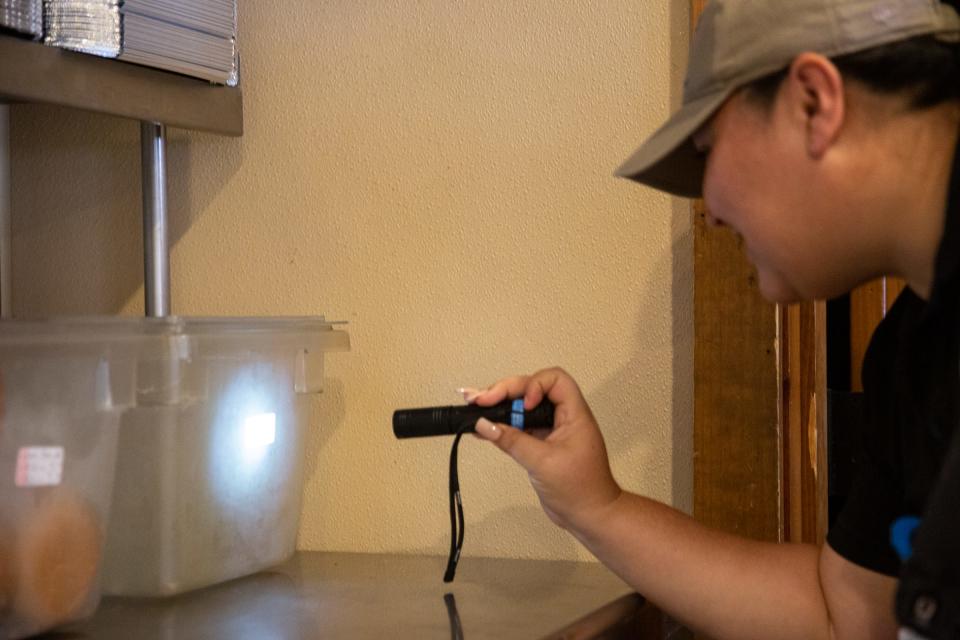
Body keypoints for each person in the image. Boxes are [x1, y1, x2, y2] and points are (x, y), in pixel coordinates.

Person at [465, 1, 960, 638]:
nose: (712, 212)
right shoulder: (912, 351)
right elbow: (847, 616)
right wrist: (595, 506)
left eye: (707, 150)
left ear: (813, 103)